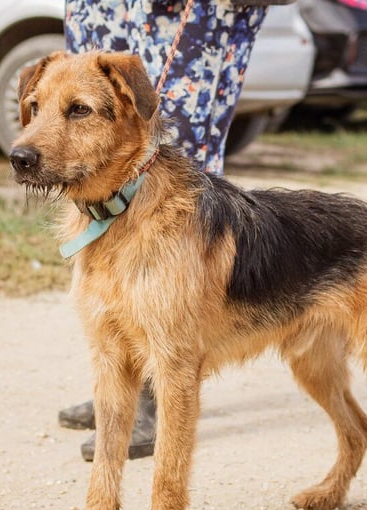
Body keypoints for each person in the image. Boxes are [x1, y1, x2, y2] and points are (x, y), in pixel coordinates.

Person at [59, 0, 292, 460]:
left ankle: (158, 381)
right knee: (89, 122)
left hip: (191, 11)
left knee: (176, 153)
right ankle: (122, 375)